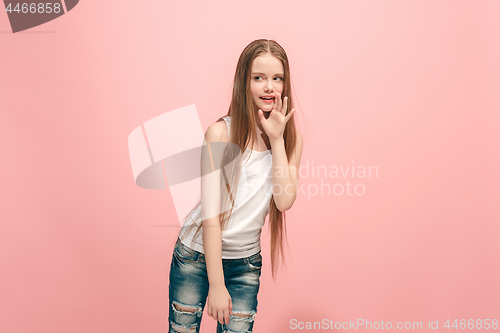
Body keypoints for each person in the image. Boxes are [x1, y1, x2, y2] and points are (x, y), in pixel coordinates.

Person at [168, 39, 303, 333]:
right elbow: (211, 217)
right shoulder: (220, 134)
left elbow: (284, 201)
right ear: (244, 81)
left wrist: (277, 139)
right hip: (196, 256)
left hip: (245, 263)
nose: (269, 87)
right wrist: (216, 283)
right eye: (259, 78)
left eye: (277, 78)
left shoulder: (291, 139)